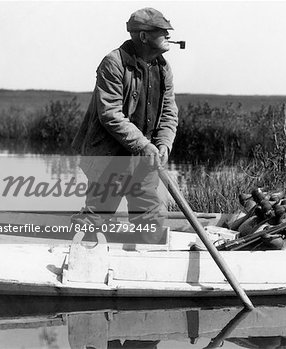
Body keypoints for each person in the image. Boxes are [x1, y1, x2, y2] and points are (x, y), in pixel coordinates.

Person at [71, 7, 178, 244]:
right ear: (143, 36)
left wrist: (162, 146)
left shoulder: (163, 67)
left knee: (151, 220)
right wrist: (143, 145)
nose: (169, 35)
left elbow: (169, 113)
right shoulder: (113, 63)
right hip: (110, 159)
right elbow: (110, 114)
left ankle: (146, 270)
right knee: (97, 218)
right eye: (163, 31)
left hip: (144, 161)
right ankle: (81, 268)